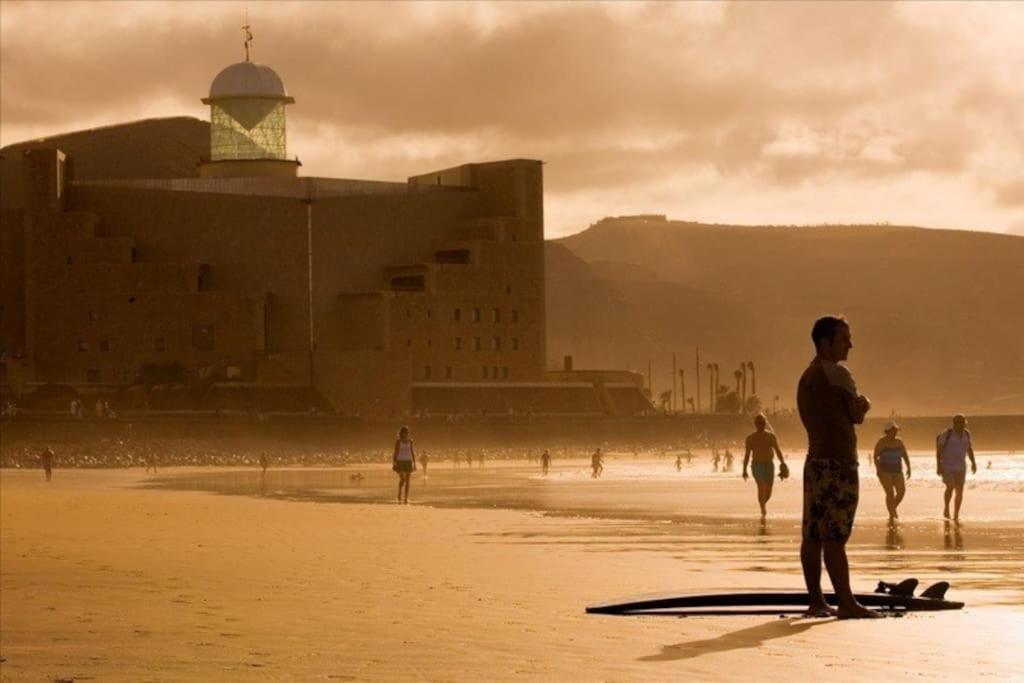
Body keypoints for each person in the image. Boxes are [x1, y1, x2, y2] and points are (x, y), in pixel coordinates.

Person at [796, 315, 879, 619]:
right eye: (844, 338)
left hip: (814, 459)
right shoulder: (838, 374)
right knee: (835, 535)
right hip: (838, 462)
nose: (850, 344)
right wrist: (865, 403)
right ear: (825, 343)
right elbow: (855, 414)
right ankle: (846, 603)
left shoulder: (807, 376)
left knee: (813, 534)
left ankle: (817, 601)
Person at [743, 414, 790, 519]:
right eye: (759, 423)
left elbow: (777, 450)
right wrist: (744, 470)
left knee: (768, 493)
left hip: (769, 465)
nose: (761, 425)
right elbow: (747, 455)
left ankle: (763, 504)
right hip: (756, 465)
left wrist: (783, 463)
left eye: (763, 423)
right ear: (755, 424)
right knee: (761, 487)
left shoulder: (771, 436)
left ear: (765, 423)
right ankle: (763, 508)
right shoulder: (751, 438)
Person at [936, 414, 976, 522]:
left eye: (963, 422)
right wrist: (938, 465)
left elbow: (969, 449)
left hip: (961, 466)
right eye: (959, 422)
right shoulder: (947, 434)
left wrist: (973, 462)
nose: (962, 425)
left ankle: (956, 514)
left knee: (960, 490)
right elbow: (939, 450)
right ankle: (946, 508)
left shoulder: (966, 434)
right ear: (954, 423)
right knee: (950, 487)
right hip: (947, 465)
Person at [872, 420, 911, 523]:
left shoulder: (899, 442)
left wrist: (909, 467)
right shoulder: (882, 442)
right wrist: (878, 470)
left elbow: (905, 455)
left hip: (898, 471)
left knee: (901, 492)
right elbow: (875, 456)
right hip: (885, 472)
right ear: (887, 431)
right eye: (893, 430)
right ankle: (891, 514)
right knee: (890, 493)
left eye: (896, 430)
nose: (895, 432)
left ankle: (892, 508)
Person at [392, 426, 417, 504]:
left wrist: (414, 463)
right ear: (401, 433)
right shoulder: (398, 441)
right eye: (405, 432)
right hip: (400, 461)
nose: (406, 433)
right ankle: (399, 492)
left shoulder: (410, 441)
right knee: (403, 479)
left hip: (408, 461)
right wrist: (394, 462)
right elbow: (395, 452)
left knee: (408, 480)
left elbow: (412, 452)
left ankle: (406, 498)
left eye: (407, 432)